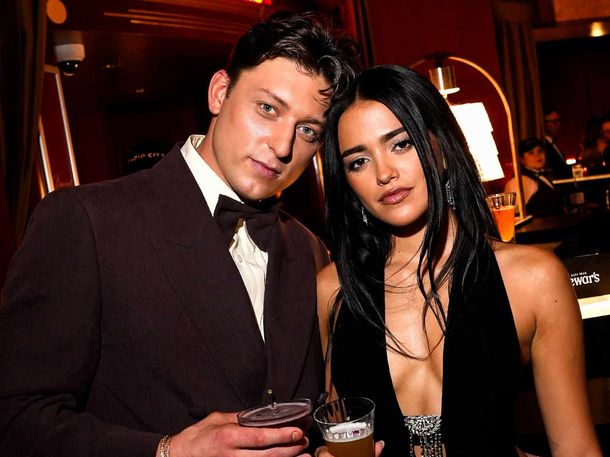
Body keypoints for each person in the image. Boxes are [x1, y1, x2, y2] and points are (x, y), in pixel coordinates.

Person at [0, 11, 359, 457]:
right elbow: (15, 420)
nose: (282, 146)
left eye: (307, 130)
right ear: (219, 92)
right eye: (268, 108)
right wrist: (166, 451)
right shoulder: (86, 222)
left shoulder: (309, 250)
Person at [316, 65, 601, 456]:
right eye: (358, 161)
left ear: (442, 146)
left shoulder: (532, 279)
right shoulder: (333, 290)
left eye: (401, 144)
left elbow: (577, 449)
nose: (384, 173)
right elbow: (338, 430)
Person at [504, 137, 564, 217]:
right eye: (531, 153)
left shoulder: (544, 175)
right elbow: (513, 213)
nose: (538, 155)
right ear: (522, 160)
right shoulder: (521, 180)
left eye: (540, 151)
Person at [542, 107, 572, 179]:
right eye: (554, 122)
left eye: (559, 121)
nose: (558, 125)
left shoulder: (553, 144)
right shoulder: (544, 146)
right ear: (544, 124)